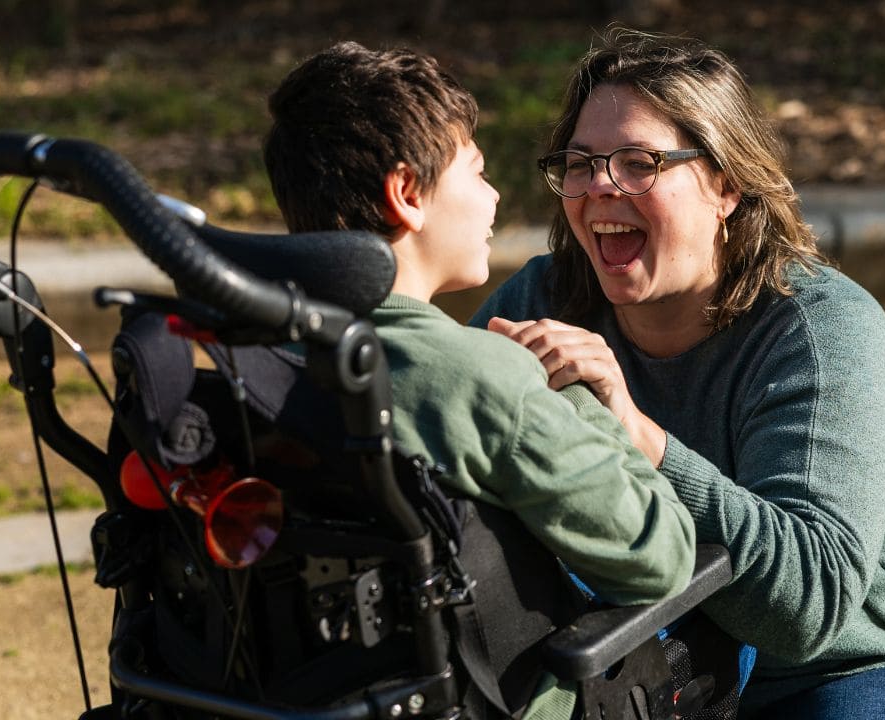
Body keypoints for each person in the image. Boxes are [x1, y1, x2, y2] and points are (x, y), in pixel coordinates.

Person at [471, 28, 885, 720]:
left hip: (871, 667)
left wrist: (638, 437)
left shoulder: (823, 330)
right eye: (582, 163)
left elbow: (806, 612)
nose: (598, 188)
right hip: (659, 676)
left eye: (638, 163)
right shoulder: (540, 304)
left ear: (726, 185)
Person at [262, 41, 698, 720]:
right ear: (408, 194)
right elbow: (659, 556)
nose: (494, 197)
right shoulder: (480, 376)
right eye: (479, 171)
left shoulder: (261, 365)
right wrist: (580, 397)